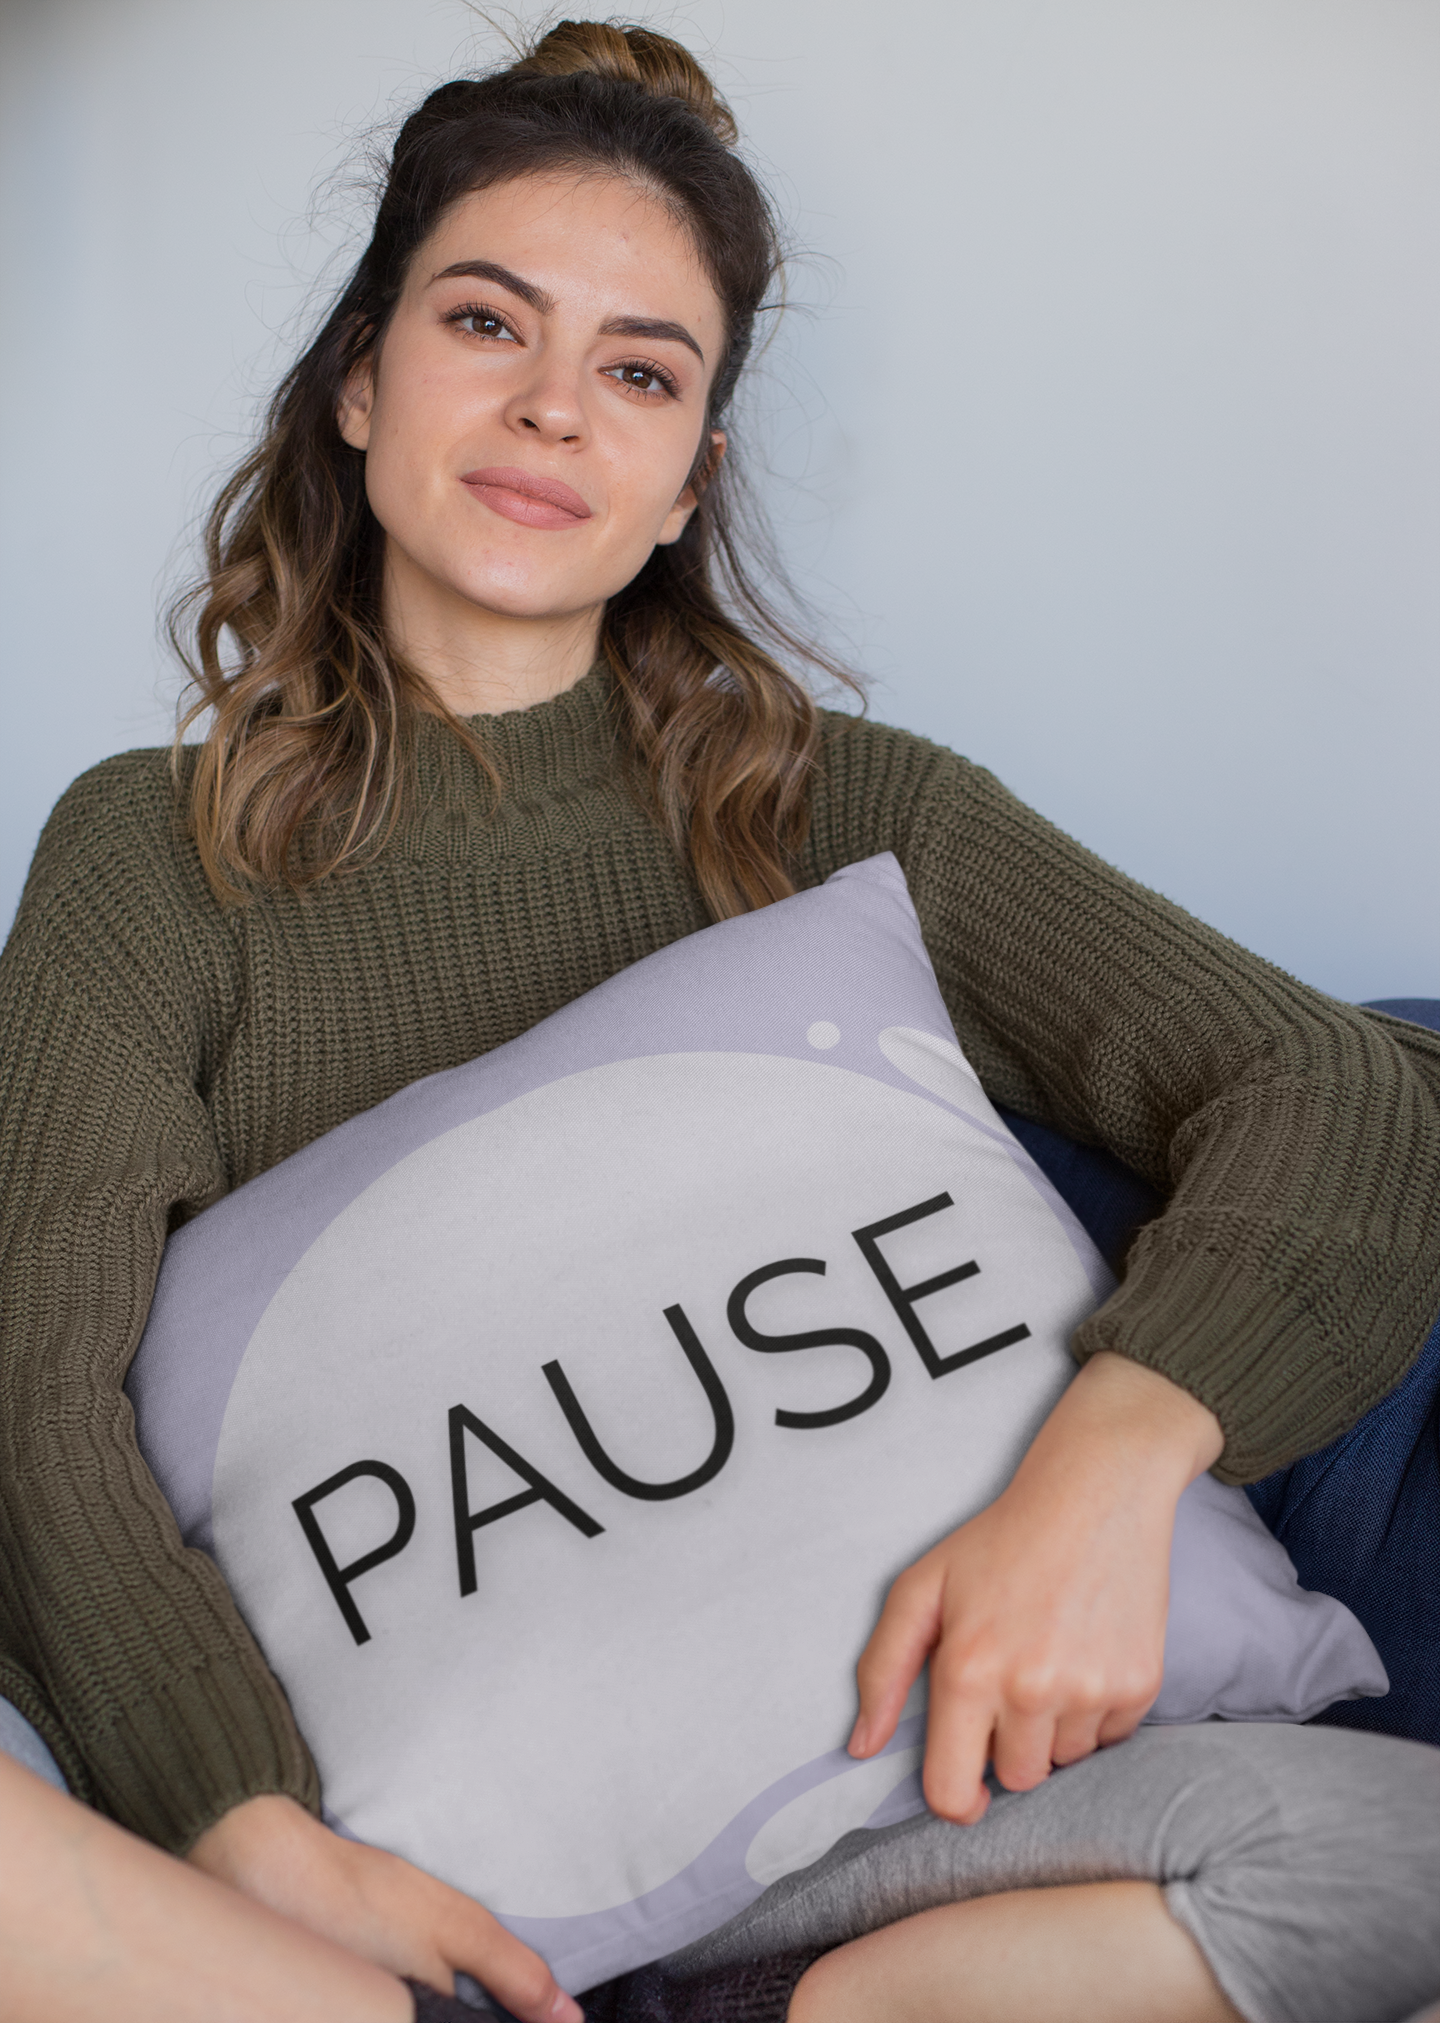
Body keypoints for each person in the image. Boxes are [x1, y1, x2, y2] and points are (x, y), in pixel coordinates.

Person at [1, 21, 1438, 2023]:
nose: (553, 411)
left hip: (897, 1809)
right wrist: (246, 1825)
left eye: (640, 372)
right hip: (387, 1868)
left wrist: (1106, 1464)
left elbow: (1347, 1093)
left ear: (695, 476)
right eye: (485, 322)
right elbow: (27, 1387)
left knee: (1396, 1856)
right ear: (358, 380)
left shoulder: (850, 813)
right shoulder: (151, 858)